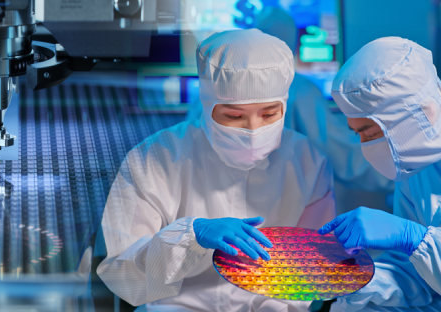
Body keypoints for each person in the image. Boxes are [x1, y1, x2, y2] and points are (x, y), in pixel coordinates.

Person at [96, 29, 336, 312]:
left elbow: (310, 268)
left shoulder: (307, 160)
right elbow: (124, 278)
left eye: (269, 114)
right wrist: (190, 236)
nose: (253, 130)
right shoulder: (153, 159)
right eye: (234, 116)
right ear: (208, 105)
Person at [187, 6, 394, 193]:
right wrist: (398, 175)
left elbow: (188, 151)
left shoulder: (212, 88)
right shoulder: (301, 92)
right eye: (235, 116)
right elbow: (344, 158)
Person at [317, 37, 441, 312]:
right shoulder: (415, 168)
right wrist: (358, 281)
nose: (366, 146)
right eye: (358, 133)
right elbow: (419, 277)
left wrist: (415, 238)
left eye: (371, 133)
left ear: (424, 113)